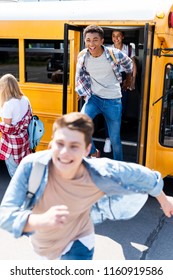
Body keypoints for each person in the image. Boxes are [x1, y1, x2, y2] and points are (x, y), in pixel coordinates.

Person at [0, 111, 173, 261]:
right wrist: (40, 221)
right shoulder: (33, 166)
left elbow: (141, 175)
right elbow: (6, 214)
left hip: (78, 244)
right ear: (51, 143)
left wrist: (163, 200)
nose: (65, 153)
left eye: (74, 146)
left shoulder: (98, 172)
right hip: (42, 246)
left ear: (87, 150)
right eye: (60, 144)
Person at [75, 25, 133, 160]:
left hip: (113, 101)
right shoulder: (83, 56)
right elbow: (80, 74)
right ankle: (94, 152)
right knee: (80, 125)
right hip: (94, 98)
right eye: (88, 40)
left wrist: (129, 79)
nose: (91, 43)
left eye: (95, 40)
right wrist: (81, 91)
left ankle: (119, 168)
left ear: (102, 41)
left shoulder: (113, 54)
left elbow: (129, 64)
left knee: (114, 140)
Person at [104, 30, 137, 153]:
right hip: (110, 78)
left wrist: (132, 81)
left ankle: (114, 138)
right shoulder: (107, 49)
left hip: (124, 79)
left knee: (120, 111)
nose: (116, 38)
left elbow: (133, 66)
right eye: (113, 36)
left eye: (118, 36)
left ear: (123, 37)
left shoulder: (128, 49)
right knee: (108, 109)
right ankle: (108, 139)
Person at [0, 73, 32, 177]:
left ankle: (20, 191)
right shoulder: (25, 99)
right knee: (23, 170)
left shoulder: (8, 105)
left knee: (14, 173)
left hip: (12, 144)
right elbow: (29, 116)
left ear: (5, 88)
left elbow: (7, 128)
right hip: (24, 139)